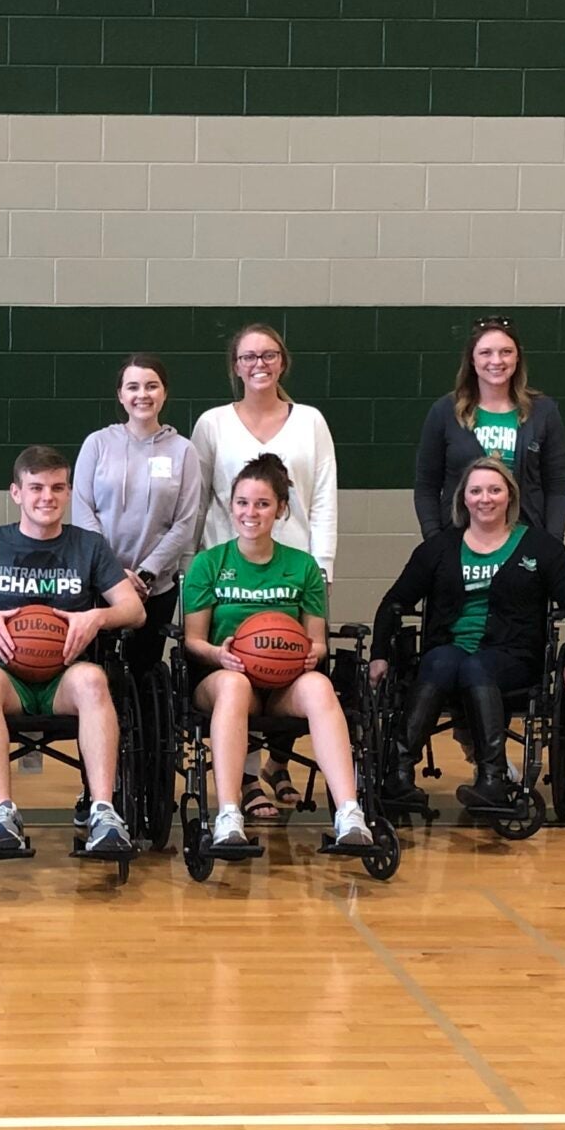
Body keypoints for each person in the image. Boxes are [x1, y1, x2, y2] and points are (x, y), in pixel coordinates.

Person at [0, 447, 145, 857]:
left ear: (68, 492)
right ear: (16, 493)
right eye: (37, 488)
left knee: (95, 678)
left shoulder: (89, 547)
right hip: (6, 678)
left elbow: (133, 610)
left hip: (65, 676)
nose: (48, 497)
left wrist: (96, 617)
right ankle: (2, 813)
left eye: (58, 488)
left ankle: (102, 811)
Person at [370, 456, 565, 816]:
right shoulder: (439, 548)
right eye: (476, 490)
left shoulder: (541, 546)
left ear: (509, 496)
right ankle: (398, 773)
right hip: (451, 651)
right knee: (439, 660)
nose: (484, 498)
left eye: (494, 489)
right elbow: (394, 602)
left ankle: (492, 777)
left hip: (514, 656)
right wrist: (380, 653)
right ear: (463, 498)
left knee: (476, 667)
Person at [181, 454, 375, 854]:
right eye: (242, 503)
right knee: (235, 686)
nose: (250, 512)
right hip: (224, 676)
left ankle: (349, 813)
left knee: (320, 686)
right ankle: (230, 815)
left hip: (283, 680)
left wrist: (310, 654)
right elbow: (193, 641)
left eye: (262, 503)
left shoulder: (302, 567)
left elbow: (317, 641)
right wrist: (221, 655)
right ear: (231, 506)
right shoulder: (209, 564)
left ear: (281, 509)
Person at [188, 322, 337, 816]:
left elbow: (322, 500)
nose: (259, 364)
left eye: (269, 355)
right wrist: (202, 566)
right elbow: (199, 498)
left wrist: (323, 565)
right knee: (243, 665)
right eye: (249, 356)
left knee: (287, 660)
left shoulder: (311, 420)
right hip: (231, 567)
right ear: (236, 365)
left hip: (294, 566)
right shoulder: (212, 422)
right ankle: (247, 780)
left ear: (282, 361)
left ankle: (278, 764)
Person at [70, 352, 206, 678]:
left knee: (143, 675)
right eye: (133, 387)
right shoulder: (97, 444)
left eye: (151, 386)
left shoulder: (183, 450)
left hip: (154, 587)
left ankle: (145, 732)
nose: (142, 395)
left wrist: (145, 574)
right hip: (98, 583)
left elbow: (185, 522)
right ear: (120, 395)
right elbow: (82, 510)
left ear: (164, 392)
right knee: (95, 673)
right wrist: (113, 573)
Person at [415, 316, 565, 542]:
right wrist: (434, 540)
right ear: (472, 359)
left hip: (526, 540)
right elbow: (426, 487)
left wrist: (553, 542)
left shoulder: (543, 412)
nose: (496, 361)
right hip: (459, 541)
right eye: (486, 352)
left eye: (506, 352)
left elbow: (558, 486)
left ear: (518, 357)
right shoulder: (444, 411)